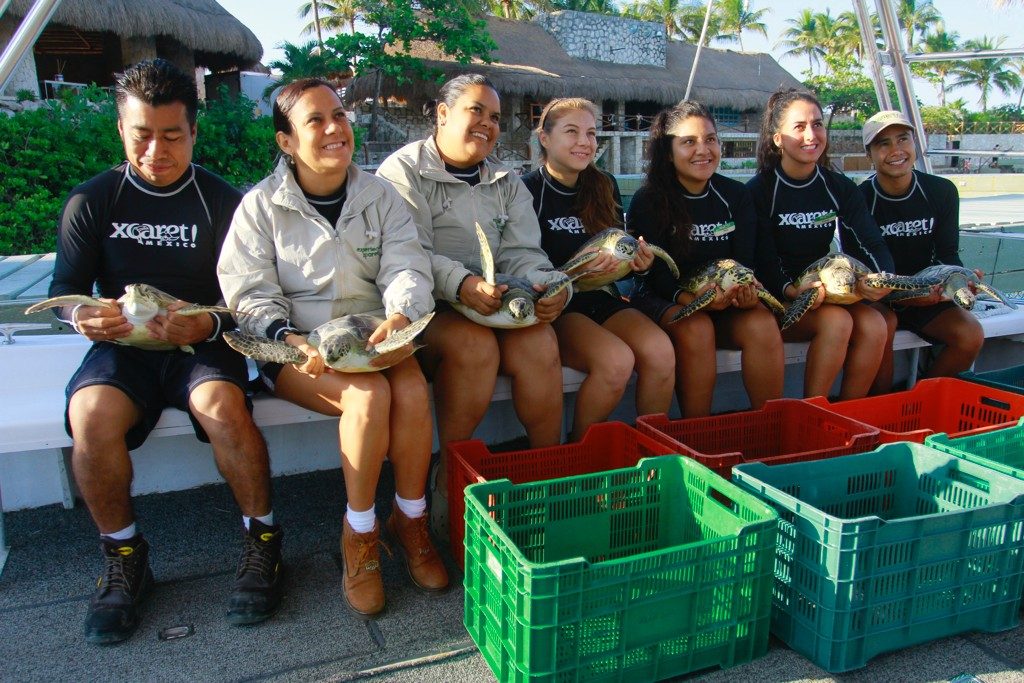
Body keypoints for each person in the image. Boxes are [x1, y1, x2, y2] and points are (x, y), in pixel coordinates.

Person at [49, 59, 281, 644]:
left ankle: (263, 542)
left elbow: (249, 295)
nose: (156, 150)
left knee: (223, 407)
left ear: (194, 133)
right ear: (121, 132)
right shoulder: (92, 201)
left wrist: (205, 321)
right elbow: (62, 290)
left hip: (199, 343)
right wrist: (82, 314)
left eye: (172, 135)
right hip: (124, 348)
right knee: (90, 416)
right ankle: (125, 556)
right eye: (141, 135)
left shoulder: (223, 203)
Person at [218, 78, 448, 618]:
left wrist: (400, 313)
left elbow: (407, 265)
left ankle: (409, 519)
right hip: (301, 352)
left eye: (339, 116)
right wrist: (284, 336)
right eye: (315, 120)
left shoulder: (379, 195)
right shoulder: (260, 208)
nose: (333, 129)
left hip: (377, 340)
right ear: (285, 141)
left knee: (412, 390)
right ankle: (361, 535)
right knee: (367, 399)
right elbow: (247, 292)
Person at [376, 74, 569, 535]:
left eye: (496, 117)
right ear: (442, 114)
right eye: (475, 111)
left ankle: (548, 483)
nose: (487, 124)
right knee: (474, 346)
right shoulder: (401, 172)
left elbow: (523, 253)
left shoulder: (504, 180)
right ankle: (452, 477)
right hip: (423, 304)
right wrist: (459, 283)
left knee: (541, 341)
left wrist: (552, 285)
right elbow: (408, 253)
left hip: (495, 300)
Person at [520, 97, 674, 439]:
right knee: (616, 362)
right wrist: (573, 276)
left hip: (602, 296)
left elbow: (621, 258)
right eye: (571, 132)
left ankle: (650, 453)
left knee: (661, 352)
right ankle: (580, 453)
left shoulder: (604, 184)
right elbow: (518, 262)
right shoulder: (526, 190)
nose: (584, 142)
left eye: (591, 133)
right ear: (544, 138)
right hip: (557, 306)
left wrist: (639, 264)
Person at [627, 101, 784, 417]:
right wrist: (690, 298)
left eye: (710, 139)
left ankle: (773, 427)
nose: (703, 149)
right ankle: (697, 434)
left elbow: (744, 260)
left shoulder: (736, 196)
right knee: (696, 326)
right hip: (664, 298)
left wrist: (743, 293)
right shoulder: (650, 200)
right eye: (689, 142)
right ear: (668, 151)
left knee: (763, 324)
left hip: (724, 299)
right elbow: (653, 275)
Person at [748, 88, 894, 400]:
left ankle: (849, 415)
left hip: (825, 290)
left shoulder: (837, 187)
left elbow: (871, 242)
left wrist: (880, 279)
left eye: (817, 124)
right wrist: (791, 290)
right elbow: (761, 256)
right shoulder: (759, 191)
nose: (811, 135)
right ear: (777, 138)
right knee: (838, 322)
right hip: (778, 296)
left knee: (876, 325)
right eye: (798, 127)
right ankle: (814, 413)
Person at [861, 110, 983, 390]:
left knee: (970, 334)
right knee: (883, 325)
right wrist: (909, 297)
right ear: (870, 154)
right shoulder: (859, 200)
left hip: (930, 294)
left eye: (903, 139)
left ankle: (919, 401)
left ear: (914, 144)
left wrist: (960, 280)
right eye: (883, 144)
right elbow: (864, 272)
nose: (896, 150)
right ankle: (881, 405)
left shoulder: (942, 191)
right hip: (879, 298)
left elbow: (948, 254)